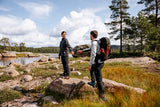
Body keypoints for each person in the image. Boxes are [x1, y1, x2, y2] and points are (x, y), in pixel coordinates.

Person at [77, 30, 106, 101]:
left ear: (91, 35)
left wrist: (90, 64)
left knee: (99, 80)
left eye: (90, 35)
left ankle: (102, 97)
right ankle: (93, 81)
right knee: (92, 69)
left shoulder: (94, 43)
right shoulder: (98, 41)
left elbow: (93, 54)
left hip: (98, 63)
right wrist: (82, 51)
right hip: (101, 62)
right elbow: (90, 49)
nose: (89, 36)